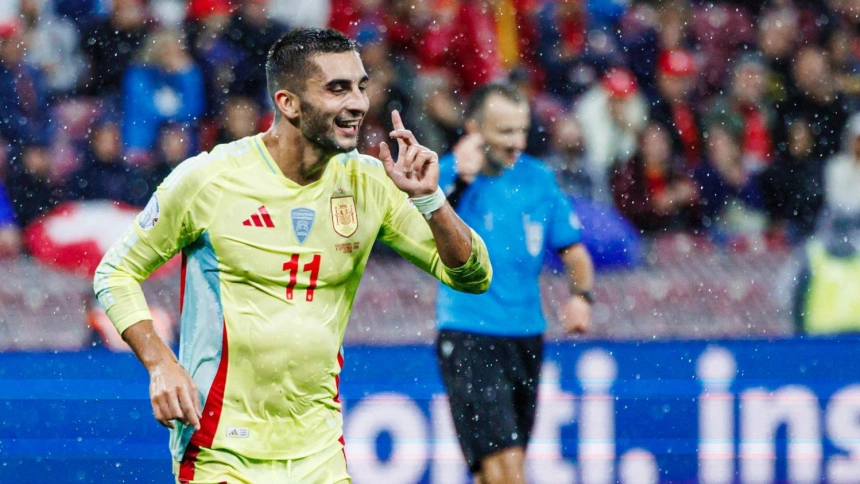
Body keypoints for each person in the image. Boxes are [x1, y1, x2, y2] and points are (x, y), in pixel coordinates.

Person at [93, 28, 492, 484]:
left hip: (319, 454)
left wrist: (431, 201)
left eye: (361, 86)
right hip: (221, 448)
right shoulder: (209, 179)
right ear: (288, 103)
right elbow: (115, 272)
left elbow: (473, 276)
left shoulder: (372, 183)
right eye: (337, 88)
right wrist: (161, 364)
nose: (359, 103)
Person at [435, 82, 594, 484]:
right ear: (474, 128)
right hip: (470, 331)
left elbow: (574, 251)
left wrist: (581, 297)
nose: (516, 142)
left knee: (503, 467)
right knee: (504, 467)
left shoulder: (538, 179)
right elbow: (419, 229)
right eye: (504, 132)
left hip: (526, 335)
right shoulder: (443, 176)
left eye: (521, 130)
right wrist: (459, 180)